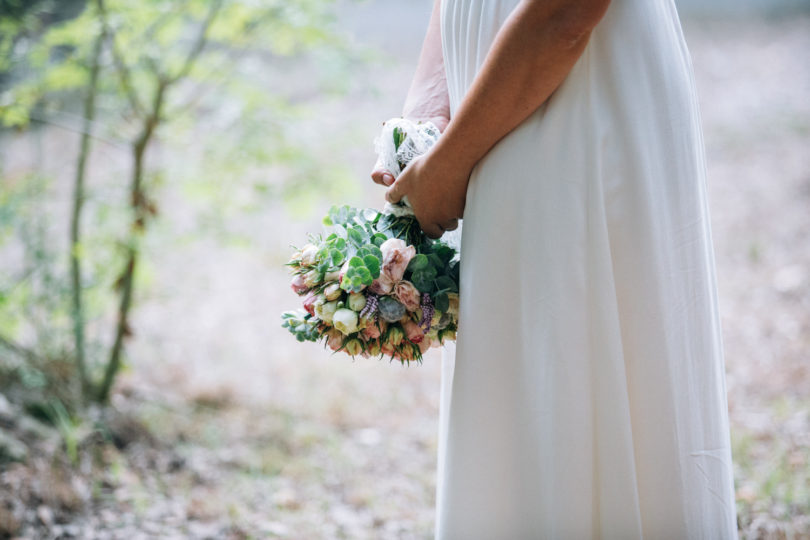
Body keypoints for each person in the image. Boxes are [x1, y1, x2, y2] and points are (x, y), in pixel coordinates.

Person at [371, 0, 738, 538]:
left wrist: (450, 164)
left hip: (580, 97)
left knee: (572, 369)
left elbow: (566, 12)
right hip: (497, 92)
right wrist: (431, 105)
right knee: (521, 387)